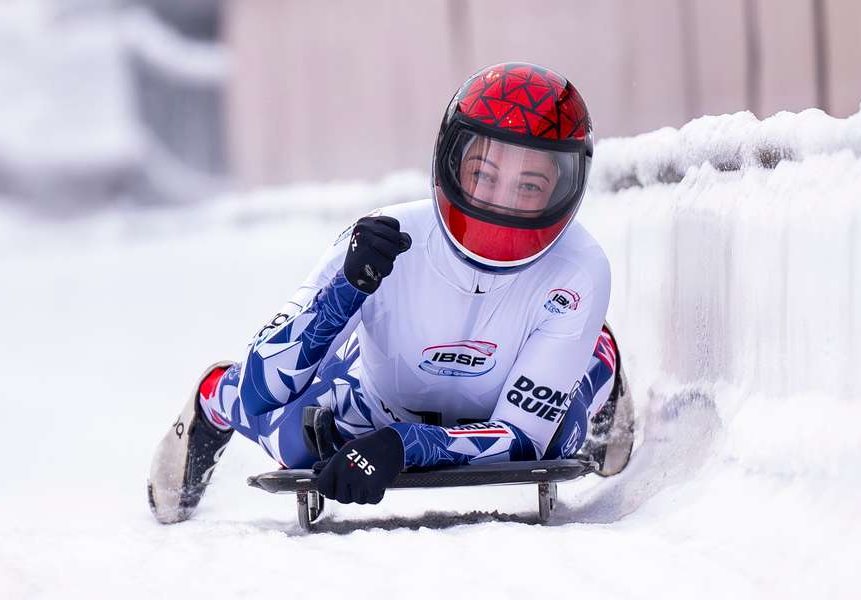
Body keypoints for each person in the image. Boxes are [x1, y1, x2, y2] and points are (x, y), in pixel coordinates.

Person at [147, 62, 634, 523]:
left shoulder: (579, 270)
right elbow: (263, 388)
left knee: (557, 438)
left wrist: (403, 446)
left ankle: (597, 358)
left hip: (492, 403)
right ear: (453, 164)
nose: (500, 201)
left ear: (565, 188)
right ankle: (214, 399)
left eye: (528, 186)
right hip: (376, 399)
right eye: (485, 176)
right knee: (294, 438)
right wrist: (345, 292)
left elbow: (524, 438)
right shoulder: (387, 234)